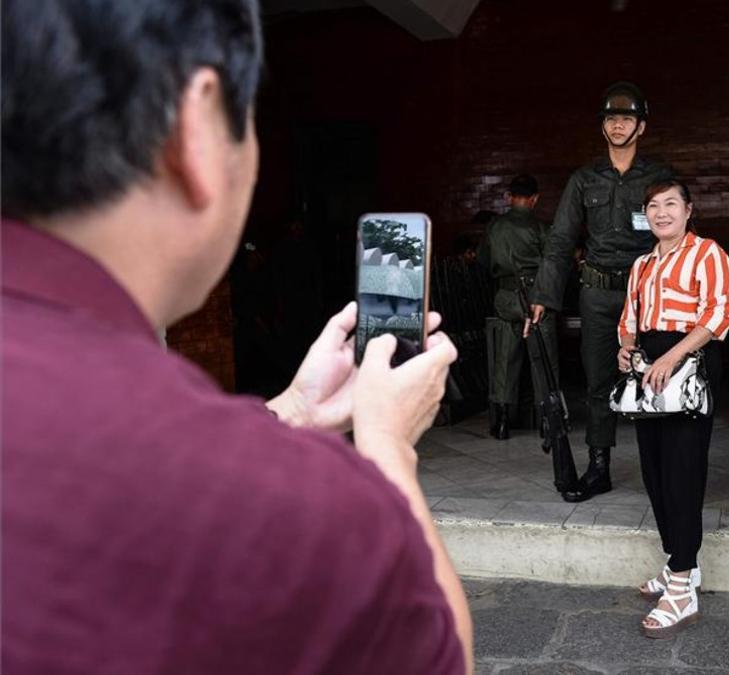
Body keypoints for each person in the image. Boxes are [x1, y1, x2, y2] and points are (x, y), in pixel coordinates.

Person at [0, 1, 472, 672]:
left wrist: (294, 412)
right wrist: (387, 445)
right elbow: (439, 654)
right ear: (194, 128)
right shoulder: (286, 506)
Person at [527, 82, 674, 503]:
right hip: (597, 293)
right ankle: (598, 466)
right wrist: (543, 296)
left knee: (653, 376)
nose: (618, 125)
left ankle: (659, 466)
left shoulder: (658, 178)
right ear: (603, 126)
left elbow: (679, 235)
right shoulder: (584, 179)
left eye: (626, 118)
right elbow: (559, 240)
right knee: (598, 382)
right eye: (611, 118)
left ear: (641, 126)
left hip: (646, 294)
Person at [618, 180, 729, 639]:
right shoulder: (642, 264)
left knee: (683, 473)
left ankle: (683, 587)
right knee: (655, 471)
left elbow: (717, 314)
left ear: (688, 210)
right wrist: (627, 349)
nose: (662, 212)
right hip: (650, 364)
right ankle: (679, 562)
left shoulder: (707, 253)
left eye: (671, 204)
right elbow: (630, 319)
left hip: (691, 362)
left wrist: (673, 356)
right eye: (653, 206)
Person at [477, 174, 559, 445]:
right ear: (534, 199)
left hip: (505, 296)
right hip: (536, 296)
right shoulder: (540, 227)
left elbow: (483, 262)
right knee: (543, 358)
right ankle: (547, 421)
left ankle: (501, 423)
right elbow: (553, 264)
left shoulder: (494, 227)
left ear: (509, 197)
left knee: (505, 358)